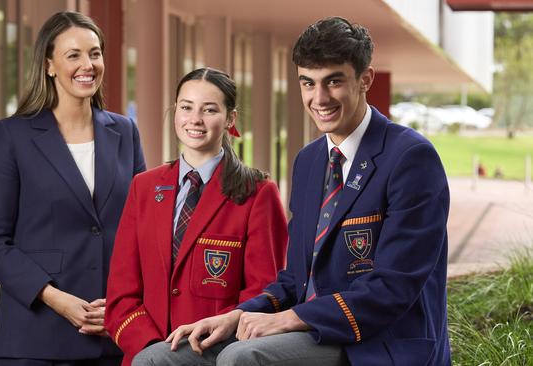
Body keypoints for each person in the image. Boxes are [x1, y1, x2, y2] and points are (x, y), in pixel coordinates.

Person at [164, 17, 452, 366]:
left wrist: (289, 319)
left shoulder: (411, 158)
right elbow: (295, 278)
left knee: (243, 357)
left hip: (379, 343)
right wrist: (237, 314)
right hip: (309, 329)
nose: (319, 98)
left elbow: (393, 288)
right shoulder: (309, 161)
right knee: (161, 358)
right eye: (308, 83)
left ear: (365, 80)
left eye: (333, 81)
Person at [0, 11, 145, 365]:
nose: (88, 64)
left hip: (112, 335)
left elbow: (142, 225)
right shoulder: (12, 136)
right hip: (36, 338)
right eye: (74, 55)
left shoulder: (125, 132)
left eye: (95, 53)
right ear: (49, 64)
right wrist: (54, 297)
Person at [104, 68, 288, 365]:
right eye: (186, 107)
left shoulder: (258, 193)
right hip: (146, 355)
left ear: (231, 119)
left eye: (210, 109)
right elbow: (120, 294)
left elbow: (264, 294)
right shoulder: (144, 187)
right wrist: (155, 351)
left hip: (215, 355)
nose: (195, 119)